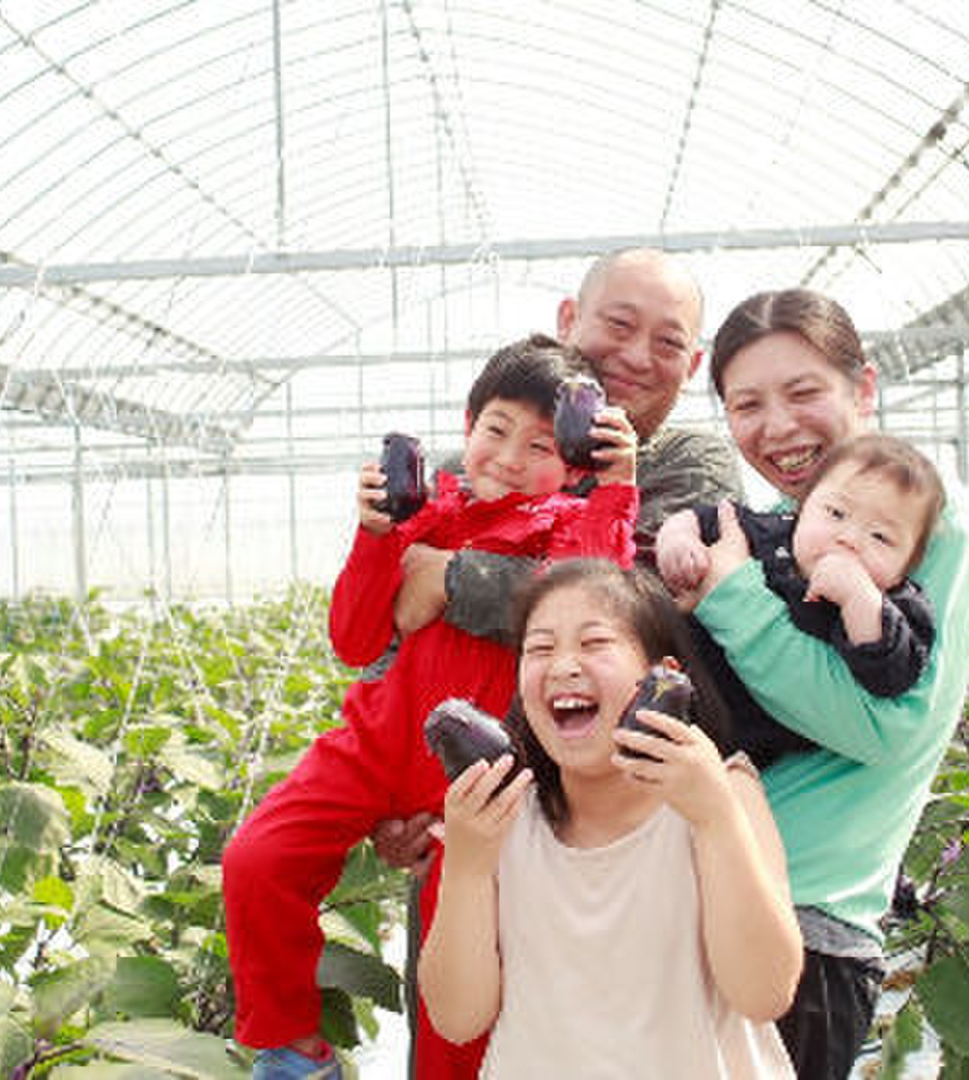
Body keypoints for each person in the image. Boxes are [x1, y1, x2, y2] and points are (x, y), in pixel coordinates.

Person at [222, 336, 640, 1080]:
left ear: (575, 461)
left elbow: (594, 598)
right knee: (257, 857)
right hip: (376, 743)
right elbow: (353, 639)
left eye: (541, 446)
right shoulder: (423, 516)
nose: (509, 458)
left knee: (458, 964)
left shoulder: (566, 528)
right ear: (468, 424)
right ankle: (292, 1047)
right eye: (496, 430)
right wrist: (375, 535)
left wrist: (615, 489)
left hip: (481, 781)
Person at [675, 288, 969, 1080]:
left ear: (864, 388)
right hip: (715, 893)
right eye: (747, 404)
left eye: (803, 392)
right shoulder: (783, 529)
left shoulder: (938, 527)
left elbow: (891, 729)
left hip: (807, 919)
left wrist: (731, 598)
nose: (778, 426)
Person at [375, 247, 742, 872]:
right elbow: (392, 630)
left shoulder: (689, 464)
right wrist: (388, 790)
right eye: (619, 325)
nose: (636, 356)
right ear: (569, 320)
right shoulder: (470, 471)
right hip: (466, 812)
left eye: (667, 342)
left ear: (692, 366)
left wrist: (452, 576)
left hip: (622, 831)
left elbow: (639, 600)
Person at [417, 558, 801, 1078]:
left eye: (594, 643)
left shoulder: (722, 794)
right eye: (540, 649)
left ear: (664, 675)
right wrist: (467, 866)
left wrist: (715, 820)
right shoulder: (506, 816)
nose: (562, 666)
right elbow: (457, 1018)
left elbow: (763, 992)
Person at [657, 432, 945, 770]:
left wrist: (858, 598)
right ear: (802, 508)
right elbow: (698, 517)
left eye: (880, 537)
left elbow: (891, 675)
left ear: (906, 569)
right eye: (836, 513)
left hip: (741, 743)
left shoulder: (892, 604)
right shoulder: (767, 531)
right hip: (673, 678)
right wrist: (678, 540)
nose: (849, 539)